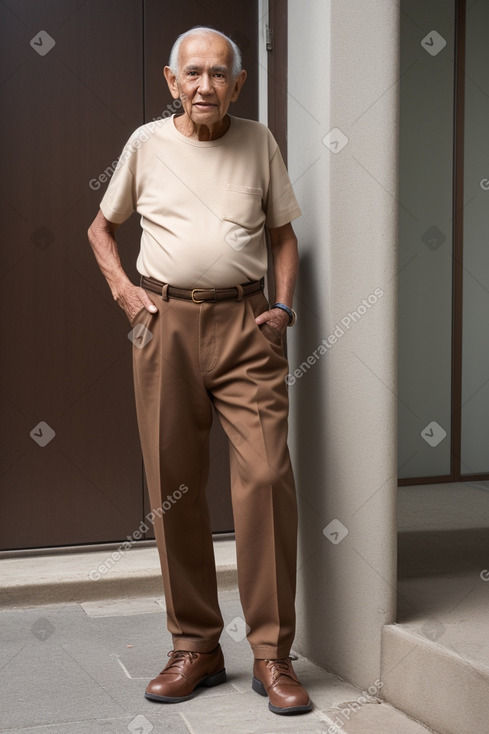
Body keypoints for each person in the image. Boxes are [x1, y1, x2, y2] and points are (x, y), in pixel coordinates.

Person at [87, 26, 311, 716]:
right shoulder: (145, 145)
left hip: (246, 326)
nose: (205, 85)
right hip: (166, 326)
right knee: (173, 484)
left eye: (219, 74)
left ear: (237, 84)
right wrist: (127, 295)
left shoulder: (259, 142)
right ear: (170, 81)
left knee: (267, 478)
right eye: (193, 74)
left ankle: (271, 656)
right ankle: (196, 646)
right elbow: (101, 228)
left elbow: (281, 234)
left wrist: (279, 307)